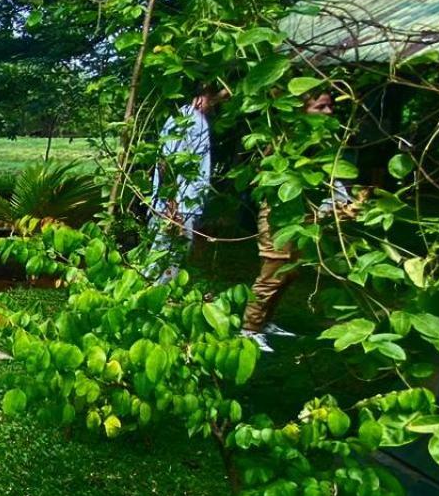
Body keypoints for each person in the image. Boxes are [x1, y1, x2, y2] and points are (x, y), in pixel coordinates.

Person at [242, 90, 355, 351]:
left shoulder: (320, 140)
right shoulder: (285, 141)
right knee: (272, 272)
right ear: (302, 109)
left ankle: (265, 322)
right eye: (321, 107)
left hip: (302, 214)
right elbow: (268, 174)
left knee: (289, 273)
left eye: (330, 107)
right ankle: (249, 328)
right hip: (279, 215)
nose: (329, 112)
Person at [148, 85, 230, 283]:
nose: (220, 103)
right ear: (203, 96)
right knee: (167, 262)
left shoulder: (189, 118)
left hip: (181, 203)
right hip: (178, 206)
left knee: (164, 259)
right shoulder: (191, 120)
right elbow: (166, 163)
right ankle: (153, 301)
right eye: (219, 96)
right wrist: (172, 203)